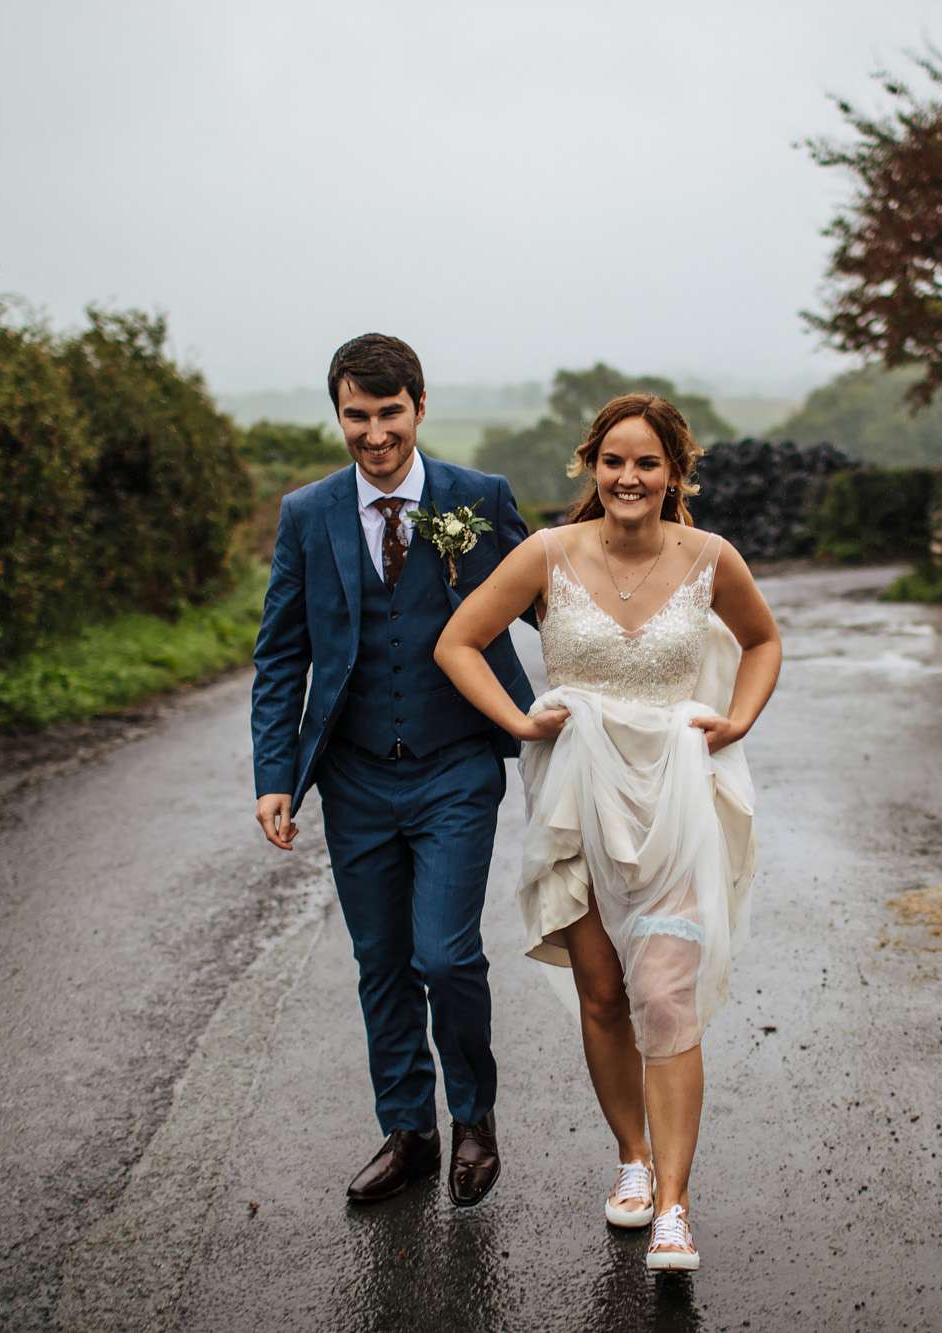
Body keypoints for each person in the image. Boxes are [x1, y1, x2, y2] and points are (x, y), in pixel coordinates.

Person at [434, 393, 781, 1273]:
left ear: (675, 473)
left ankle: (673, 1204)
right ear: (592, 468)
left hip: (673, 798)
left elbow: (764, 639)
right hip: (574, 798)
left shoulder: (712, 557)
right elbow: (458, 641)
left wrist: (737, 718)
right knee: (600, 990)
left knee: (665, 994)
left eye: (648, 463)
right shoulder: (549, 553)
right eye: (614, 461)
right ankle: (632, 1157)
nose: (629, 478)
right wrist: (519, 720)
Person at [250, 333, 536, 1207]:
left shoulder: (479, 499)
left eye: (389, 413)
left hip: (455, 765)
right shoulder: (308, 514)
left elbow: (552, 601)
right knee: (380, 961)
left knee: (445, 956)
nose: (374, 433)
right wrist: (274, 774)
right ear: (339, 414)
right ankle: (408, 1132)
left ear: (418, 405)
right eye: (356, 415)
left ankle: (474, 1117)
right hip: (357, 775)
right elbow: (281, 655)